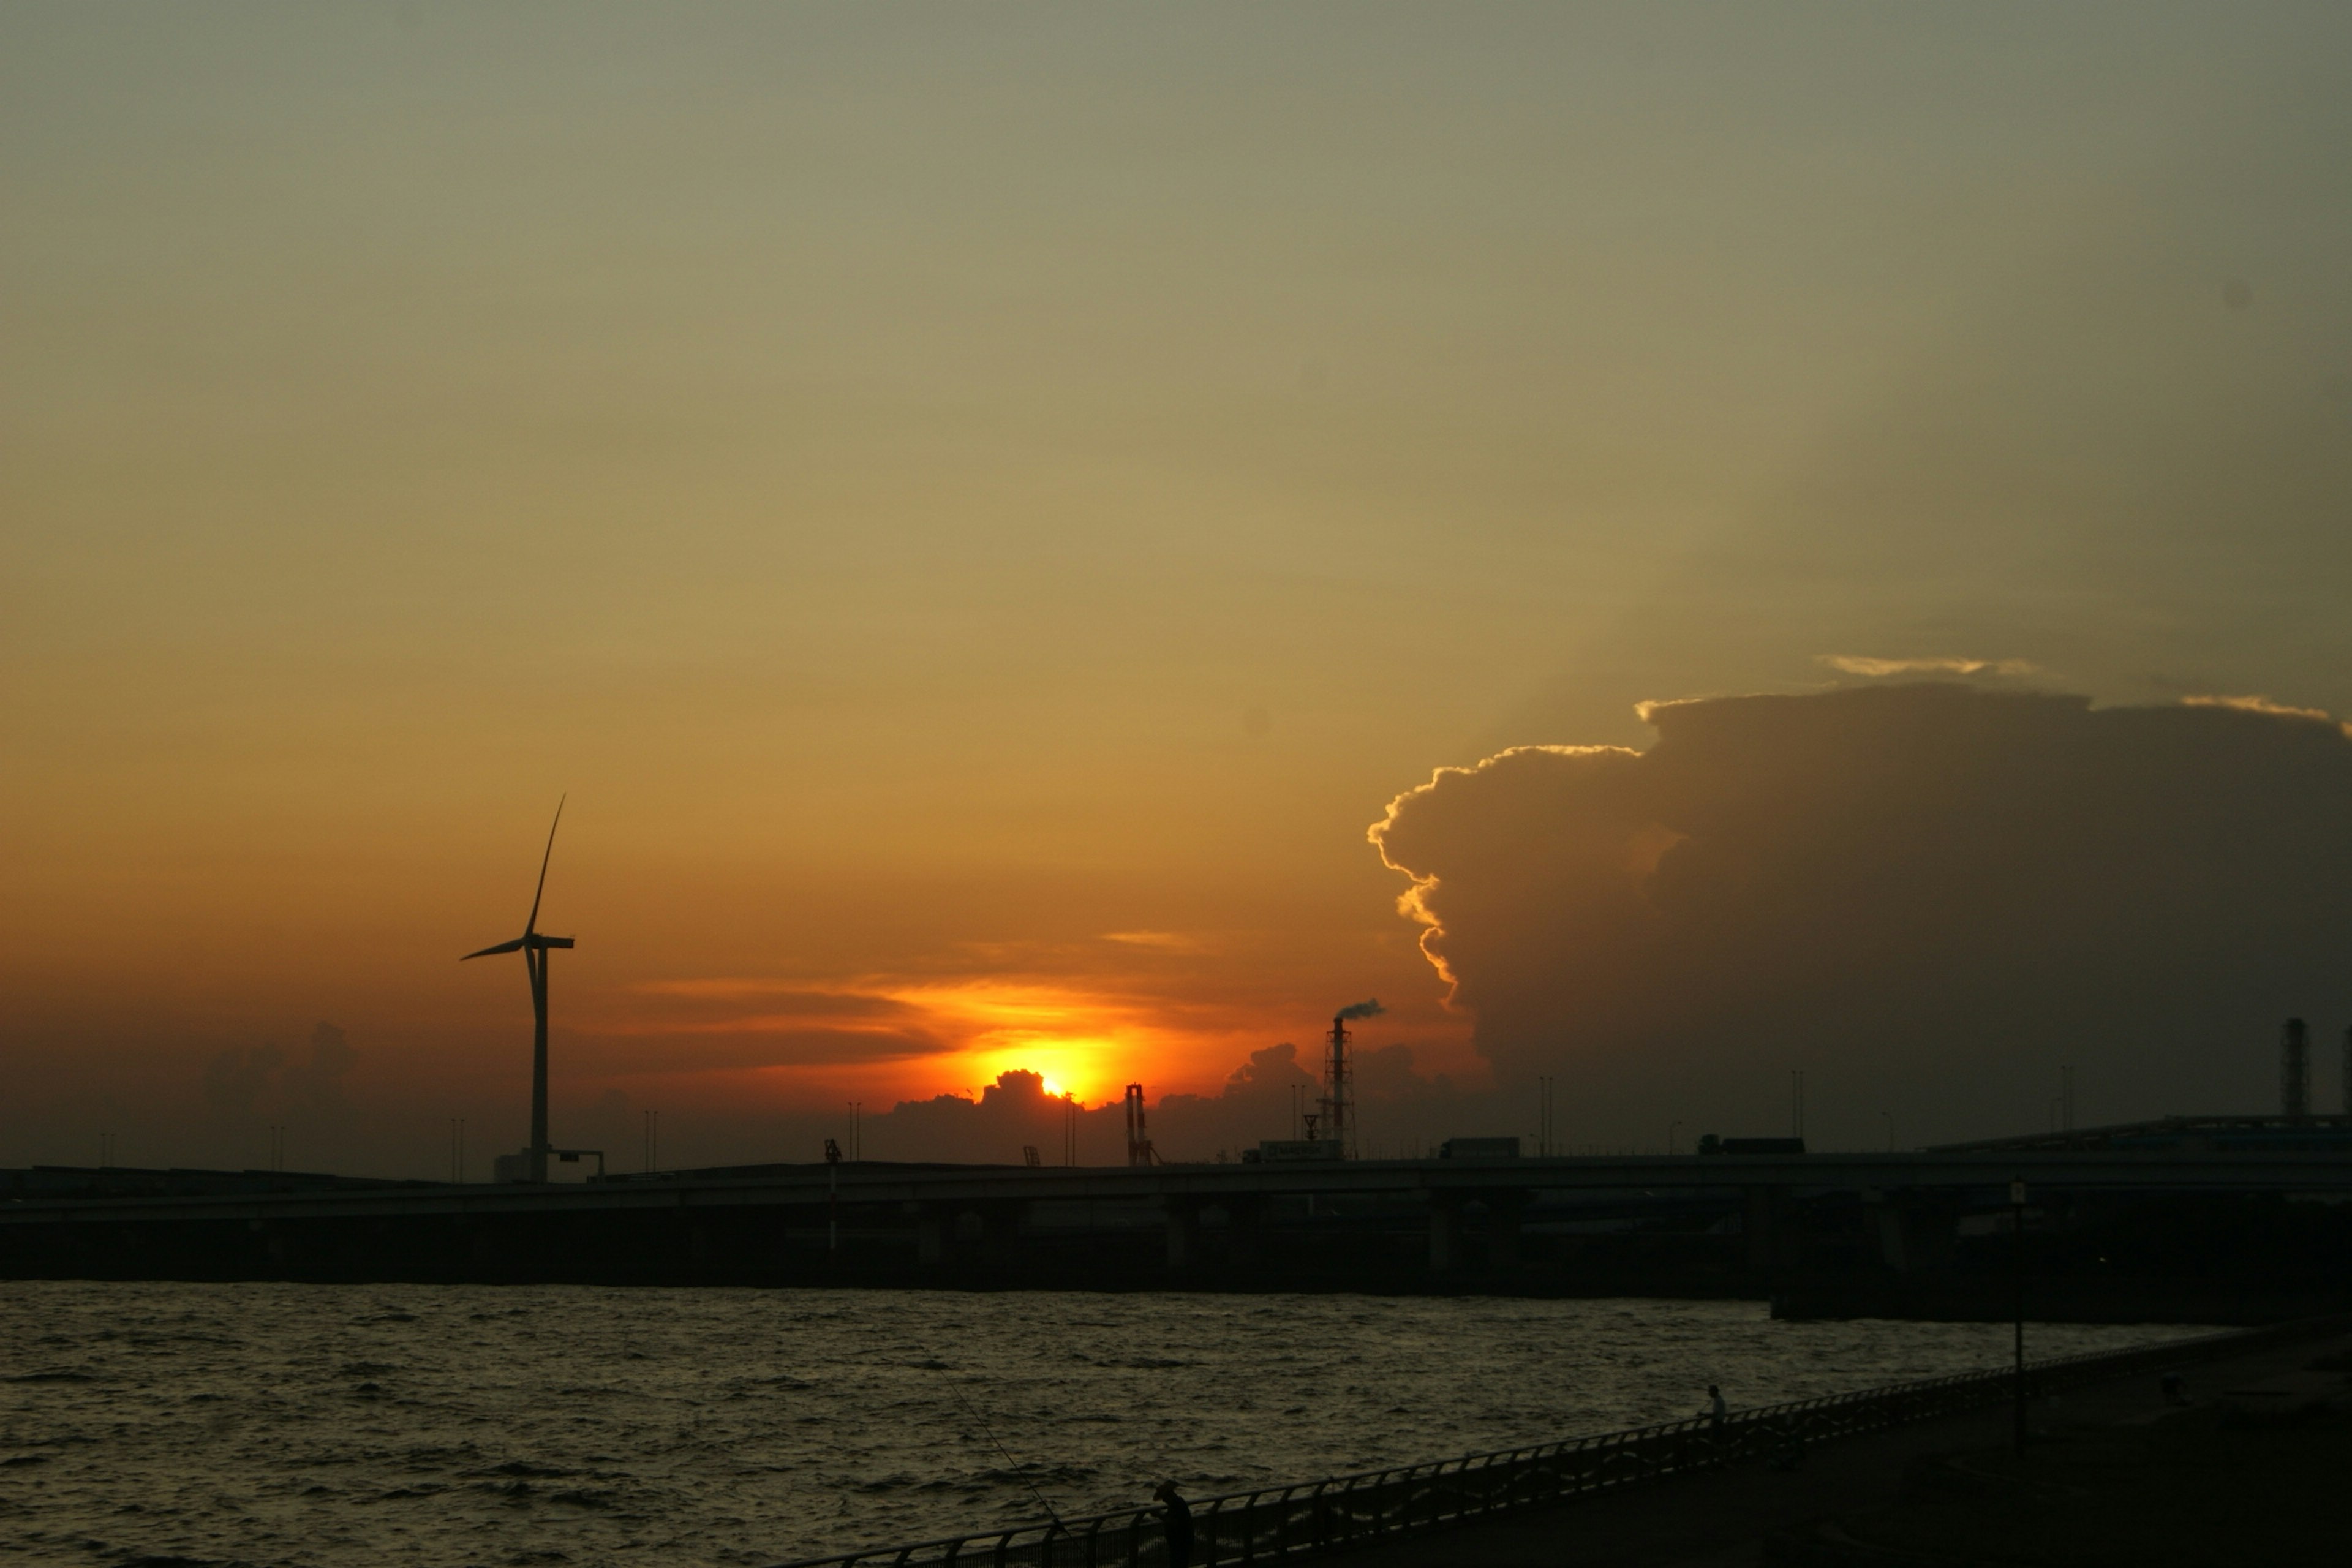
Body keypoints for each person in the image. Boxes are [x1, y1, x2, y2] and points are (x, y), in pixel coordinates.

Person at [1154, 1479, 1194, 1568]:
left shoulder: (1176, 1504)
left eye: (1164, 1497)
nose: (1163, 1500)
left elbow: (1173, 1522)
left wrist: (1159, 1515)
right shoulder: (1178, 1503)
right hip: (1182, 1543)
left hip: (1180, 1543)